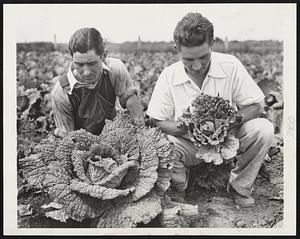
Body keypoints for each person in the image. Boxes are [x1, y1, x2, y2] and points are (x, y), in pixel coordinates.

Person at [146, 13, 274, 207]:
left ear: (212, 43)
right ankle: (180, 190)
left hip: (228, 139)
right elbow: (156, 121)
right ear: (176, 50)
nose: (197, 66)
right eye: (188, 59)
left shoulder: (230, 65)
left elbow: (256, 106)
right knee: (162, 145)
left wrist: (227, 123)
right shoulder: (169, 75)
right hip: (189, 145)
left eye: (203, 57)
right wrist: (185, 128)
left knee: (263, 129)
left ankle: (240, 187)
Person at [52, 27, 144, 137]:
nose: (86, 72)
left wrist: (141, 141)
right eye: (79, 64)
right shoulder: (61, 92)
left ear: (104, 56)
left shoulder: (115, 69)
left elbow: (136, 114)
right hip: (81, 146)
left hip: (114, 136)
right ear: (71, 58)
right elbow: (68, 141)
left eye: (92, 64)